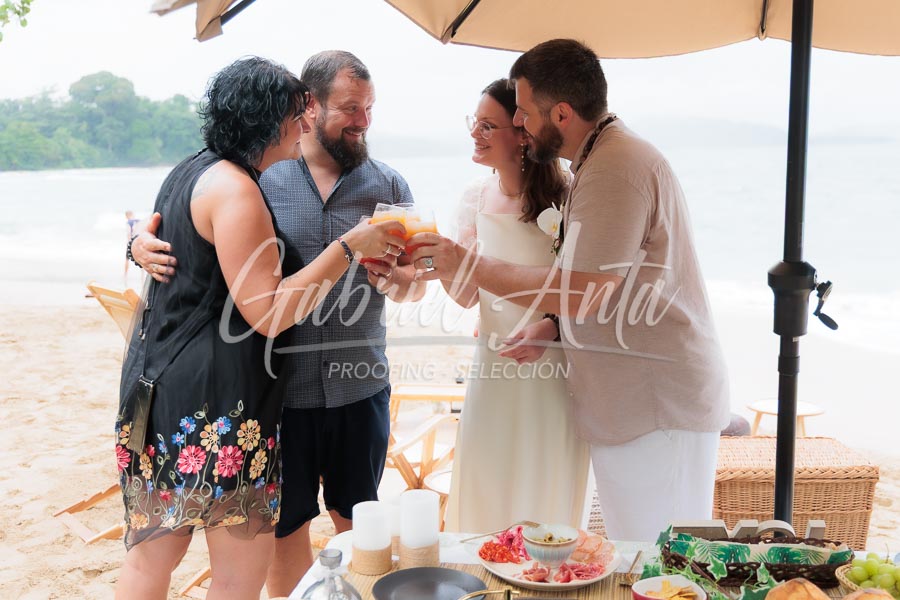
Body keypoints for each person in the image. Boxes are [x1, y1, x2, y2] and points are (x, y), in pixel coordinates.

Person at [409, 39, 730, 542]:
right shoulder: (604, 158)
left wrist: (468, 264)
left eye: (524, 113)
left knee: (658, 561)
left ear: (560, 113)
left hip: (655, 406)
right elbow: (602, 285)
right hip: (637, 404)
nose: (520, 124)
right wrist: (551, 328)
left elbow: (580, 291)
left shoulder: (614, 168)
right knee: (641, 558)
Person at [131, 50, 425, 596]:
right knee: (278, 539)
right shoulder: (255, 179)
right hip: (271, 399)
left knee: (360, 527)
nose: (363, 120)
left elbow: (414, 283)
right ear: (310, 108)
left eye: (370, 107)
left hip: (357, 386)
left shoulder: (388, 185)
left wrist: (399, 279)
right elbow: (246, 289)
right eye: (350, 107)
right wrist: (135, 241)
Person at [443, 78, 589, 533]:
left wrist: (551, 327)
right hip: (493, 368)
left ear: (523, 133)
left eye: (488, 125)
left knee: (544, 492)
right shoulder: (474, 197)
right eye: (474, 122)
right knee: (487, 489)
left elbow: (586, 287)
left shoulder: (569, 195)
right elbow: (466, 295)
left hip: (553, 370)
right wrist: (434, 262)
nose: (475, 133)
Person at [124, 210, 140, 279]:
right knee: (141, 259)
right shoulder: (138, 221)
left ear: (127, 216)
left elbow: (129, 233)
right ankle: (142, 277)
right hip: (139, 241)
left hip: (131, 242)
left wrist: (129, 243)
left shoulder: (129, 222)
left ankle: (125, 275)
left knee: (127, 259)